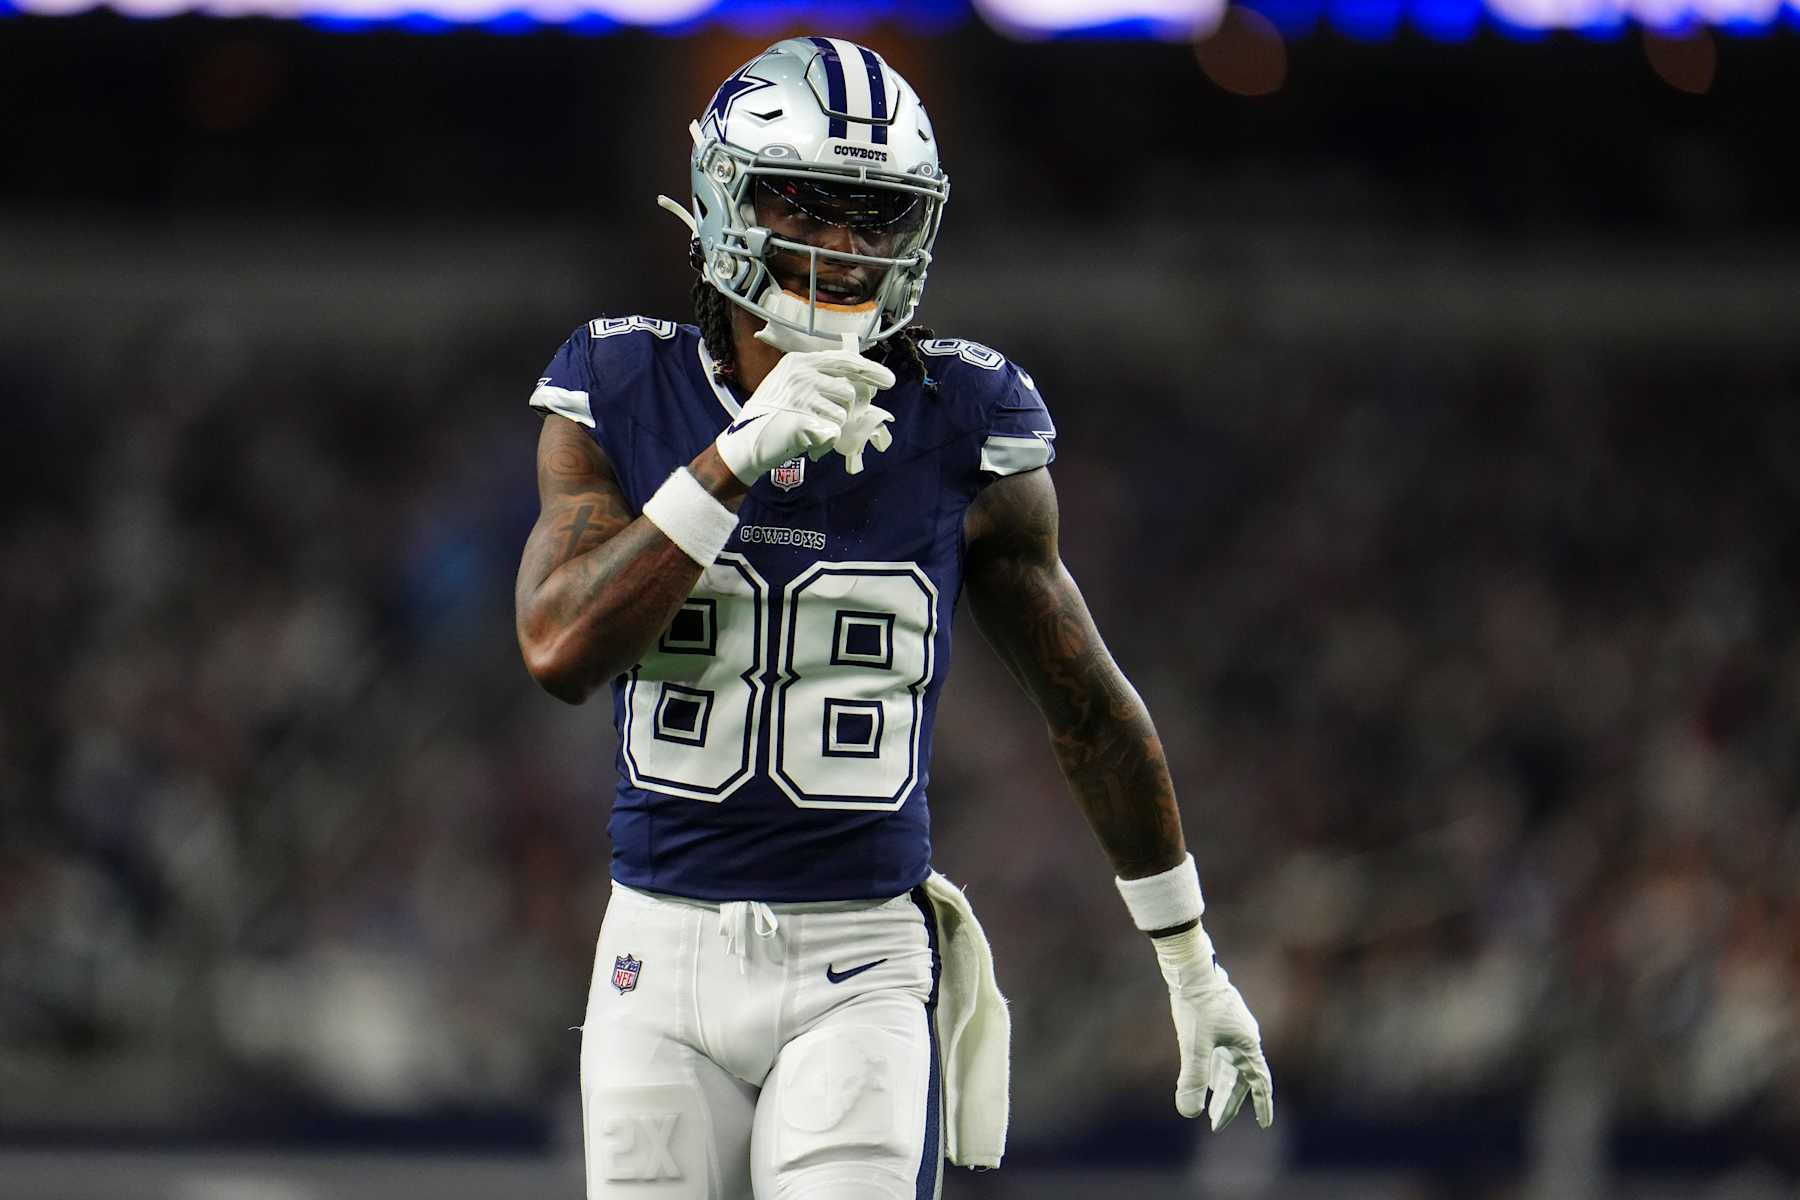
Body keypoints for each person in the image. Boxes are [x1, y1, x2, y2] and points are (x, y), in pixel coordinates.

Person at [514, 36, 1273, 1200]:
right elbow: (559, 645)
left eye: (876, 213)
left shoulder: (964, 416)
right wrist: (729, 463)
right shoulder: (623, 387)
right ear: (723, 198)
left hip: (858, 963)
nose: (845, 245)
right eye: (808, 204)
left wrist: (1190, 960)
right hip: (654, 964)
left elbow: (1085, 705)